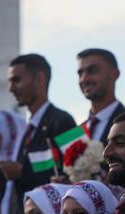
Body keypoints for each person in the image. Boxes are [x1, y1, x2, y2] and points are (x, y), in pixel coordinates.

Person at [8, 54, 78, 197]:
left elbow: (80, 172)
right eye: (10, 81)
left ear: (40, 79)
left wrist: (21, 172)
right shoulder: (27, 130)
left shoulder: (64, 120)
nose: (11, 88)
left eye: (17, 80)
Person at [76, 48, 125, 144]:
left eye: (92, 71)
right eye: (80, 73)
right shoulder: (75, 133)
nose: (84, 79)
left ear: (115, 74)